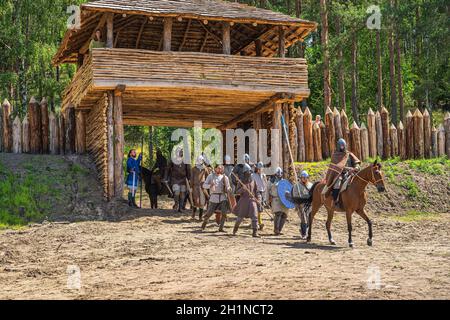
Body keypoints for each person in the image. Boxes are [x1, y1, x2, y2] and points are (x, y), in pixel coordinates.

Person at [324, 138, 361, 206]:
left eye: (343, 146)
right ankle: (335, 201)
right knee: (337, 184)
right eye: (341, 146)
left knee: (360, 182)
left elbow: (356, 162)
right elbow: (335, 167)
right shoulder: (335, 155)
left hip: (351, 173)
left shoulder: (349, 154)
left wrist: (356, 167)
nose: (342, 147)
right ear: (338, 146)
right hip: (339, 174)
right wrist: (343, 169)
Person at [201, 165, 232, 232]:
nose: (220, 169)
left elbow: (228, 187)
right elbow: (204, 185)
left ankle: (221, 228)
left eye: (221, 168)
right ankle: (203, 225)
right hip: (214, 197)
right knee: (209, 213)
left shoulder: (225, 177)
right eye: (218, 168)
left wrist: (229, 189)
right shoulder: (210, 176)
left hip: (223, 197)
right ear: (215, 169)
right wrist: (210, 185)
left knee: (224, 213)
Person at [232, 164, 260, 238]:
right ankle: (235, 229)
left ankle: (255, 232)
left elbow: (256, 191)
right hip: (244, 201)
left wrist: (258, 199)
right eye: (247, 173)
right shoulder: (241, 182)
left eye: (250, 173)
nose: (249, 174)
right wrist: (242, 189)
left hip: (252, 200)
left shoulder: (253, 181)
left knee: (254, 216)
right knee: (240, 218)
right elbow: (236, 192)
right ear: (244, 173)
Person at [166, 147, 191, 213]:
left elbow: (188, 170)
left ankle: (180, 208)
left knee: (182, 194)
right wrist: (166, 177)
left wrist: (189, 179)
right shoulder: (172, 160)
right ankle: (176, 203)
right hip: (175, 179)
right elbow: (167, 169)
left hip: (183, 180)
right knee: (176, 192)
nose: (180, 152)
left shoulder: (186, 160)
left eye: (181, 151)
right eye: (179, 151)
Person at [292, 171, 313, 239]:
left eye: (306, 178)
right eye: (303, 178)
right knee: (304, 219)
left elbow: (313, 195)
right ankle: (304, 234)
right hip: (301, 205)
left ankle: (303, 230)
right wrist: (300, 199)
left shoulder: (310, 185)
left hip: (309, 205)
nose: (304, 179)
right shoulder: (296, 186)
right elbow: (295, 196)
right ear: (301, 178)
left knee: (309, 220)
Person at [268, 167, 289, 235]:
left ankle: (279, 230)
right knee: (278, 214)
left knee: (284, 215)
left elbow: (287, 189)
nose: (279, 174)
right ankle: (276, 229)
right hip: (275, 199)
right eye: (278, 173)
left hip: (283, 200)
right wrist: (267, 199)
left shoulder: (283, 181)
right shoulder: (271, 181)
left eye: (280, 173)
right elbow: (267, 190)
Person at [191, 155, 210, 220]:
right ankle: (193, 214)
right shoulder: (194, 169)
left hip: (203, 187)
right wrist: (191, 187)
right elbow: (192, 178)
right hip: (195, 187)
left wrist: (207, 185)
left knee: (202, 202)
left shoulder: (205, 169)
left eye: (201, 160)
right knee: (196, 201)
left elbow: (208, 177)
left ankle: (200, 216)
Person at [252, 162, 268, 231]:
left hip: (262, 192)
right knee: (257, 208)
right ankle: (259, 223)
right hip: (256, 192)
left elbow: (265, 185)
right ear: (257, 168)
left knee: (260, 209)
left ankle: (257, 222)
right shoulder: (253, 175)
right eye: (259, 168)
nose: (260, 170)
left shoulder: (263, 175)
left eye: (261, 168)